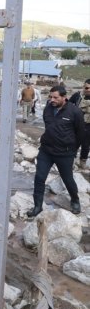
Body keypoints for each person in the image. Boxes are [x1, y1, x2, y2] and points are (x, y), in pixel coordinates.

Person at [28, 86, 84, 216]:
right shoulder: (48, 108)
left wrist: (73, 150)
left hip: (65, 153)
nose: (52, 100)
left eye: (55, 97)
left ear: (64, 97)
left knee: (67, 178)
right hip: (46, 150)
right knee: (39, 178)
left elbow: (81, 134)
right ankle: (37, 206)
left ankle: (75, 200)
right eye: (50, 97)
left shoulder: (74, 111)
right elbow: (48, 127)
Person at [70, 79, 90, 169]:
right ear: (83, 86)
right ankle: (71, 161)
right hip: (77, 125)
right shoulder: (77, 96)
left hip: (89, 126)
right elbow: (68, 106)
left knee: (86, 145)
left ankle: (83, 162)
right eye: (87, 87)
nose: (88, 89)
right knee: (74, 144)